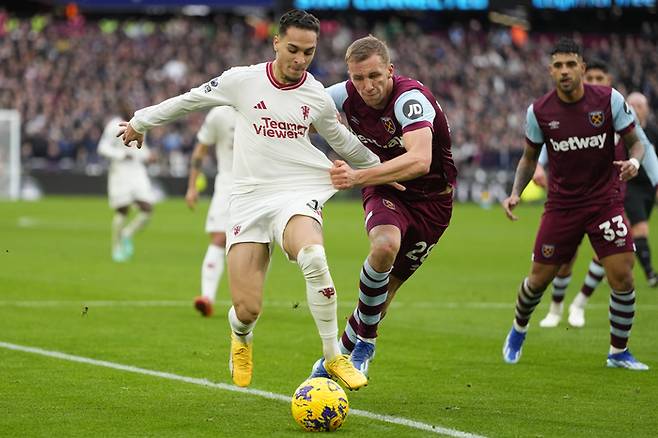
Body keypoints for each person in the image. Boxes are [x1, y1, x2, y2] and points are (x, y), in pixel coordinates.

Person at [117, 10, 384, 390]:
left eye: (308, 52)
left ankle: (332, 355)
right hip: (248, 199)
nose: (299, 59)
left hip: (297, 191)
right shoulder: (241, 81)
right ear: (276, 42)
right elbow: (189, 100)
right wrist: (140, 121)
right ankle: (241, 336)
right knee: (247, 309)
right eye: (292, 49)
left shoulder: (316, 97)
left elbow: (346, 145)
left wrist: (391, 170)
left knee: (313, 255)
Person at [310, 35, 456, 378]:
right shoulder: (342, 95)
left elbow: (420, 160)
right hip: (384, 186)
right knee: (385, 246)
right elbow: (299, 114)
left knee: (382, 298)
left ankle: (338, 355)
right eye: (358, 78)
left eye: (375, 76)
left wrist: (358, 174)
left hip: (433, 202)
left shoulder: (409, 100)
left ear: (390, 70)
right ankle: (365, 344)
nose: (367, 86)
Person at [501, 38, 648, 370]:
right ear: (550, 71)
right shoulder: (539, 110)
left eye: (570, 64)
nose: (564, 71)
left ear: (583, 68)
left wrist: (635, 164)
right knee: (538, 280)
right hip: (562, 205)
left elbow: (635, 142)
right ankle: (518, 329)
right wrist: (515, 193)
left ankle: (618, 352)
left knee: (623, 276)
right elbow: (528, 159)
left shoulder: (609, 100)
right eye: (558, 65)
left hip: (604, 202)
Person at [535, 60, 658, 329]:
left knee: (609, 253)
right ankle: (556, 308)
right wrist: (539, 165)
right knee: (565, 259)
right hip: (568, 195)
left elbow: (643, 143)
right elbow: (549, 138)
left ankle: (580, 302)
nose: (594, 81)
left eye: (599, 77)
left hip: (607, 194)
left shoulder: (617, 107)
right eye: (590, 76)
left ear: (608, 80)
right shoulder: (567, 108)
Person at [185, 106, 236, 317]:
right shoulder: (219, 114)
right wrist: (191, 186)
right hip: (227, 183)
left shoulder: (266, 104)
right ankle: (207, 298)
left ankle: (248, 300)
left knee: (258, 246)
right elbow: (201, 149)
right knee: (218, 237)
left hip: (259, 186)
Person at [97, 100, 155, 262]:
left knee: (147, 209)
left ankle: (126, 234)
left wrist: (148, 156)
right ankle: (116, 247)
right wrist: (121, 155)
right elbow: (102, 147)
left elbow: (141, 148)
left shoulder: (140, 123)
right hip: (120, 170)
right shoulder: (113, 126)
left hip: (137, 170)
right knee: (122, 210)